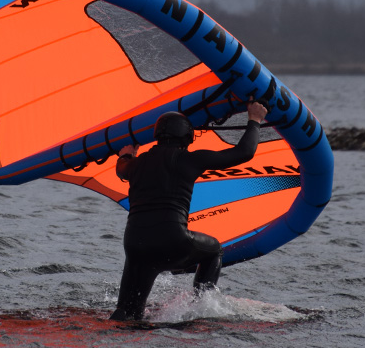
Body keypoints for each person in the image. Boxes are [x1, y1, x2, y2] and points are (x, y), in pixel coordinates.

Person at [109, 98, 269, 321]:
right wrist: (254, 119)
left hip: (136, 245)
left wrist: (127, 154)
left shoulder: (135, 164)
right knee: (214, 250)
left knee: (127, 312)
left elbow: (121, 168)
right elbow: (244, 152)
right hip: (172, 239)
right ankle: (200, 307)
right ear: (187, 138)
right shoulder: (191, 159)